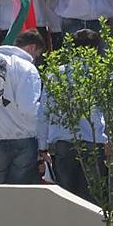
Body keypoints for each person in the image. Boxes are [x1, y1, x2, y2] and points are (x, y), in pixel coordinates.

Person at [37, 29, 108, 200]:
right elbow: (109, 110)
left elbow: (43, 112)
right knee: (92, 200)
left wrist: (42, 146)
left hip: (65, 140)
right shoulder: (101, 73)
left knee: (67, 198)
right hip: (94, 139)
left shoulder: (55, 73)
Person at [0, 29, 45, 184]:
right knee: (17, 195)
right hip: (23, 140)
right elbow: (28, 108)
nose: (35, 58)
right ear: (32, 48)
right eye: (37, 54)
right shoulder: (27, 67)